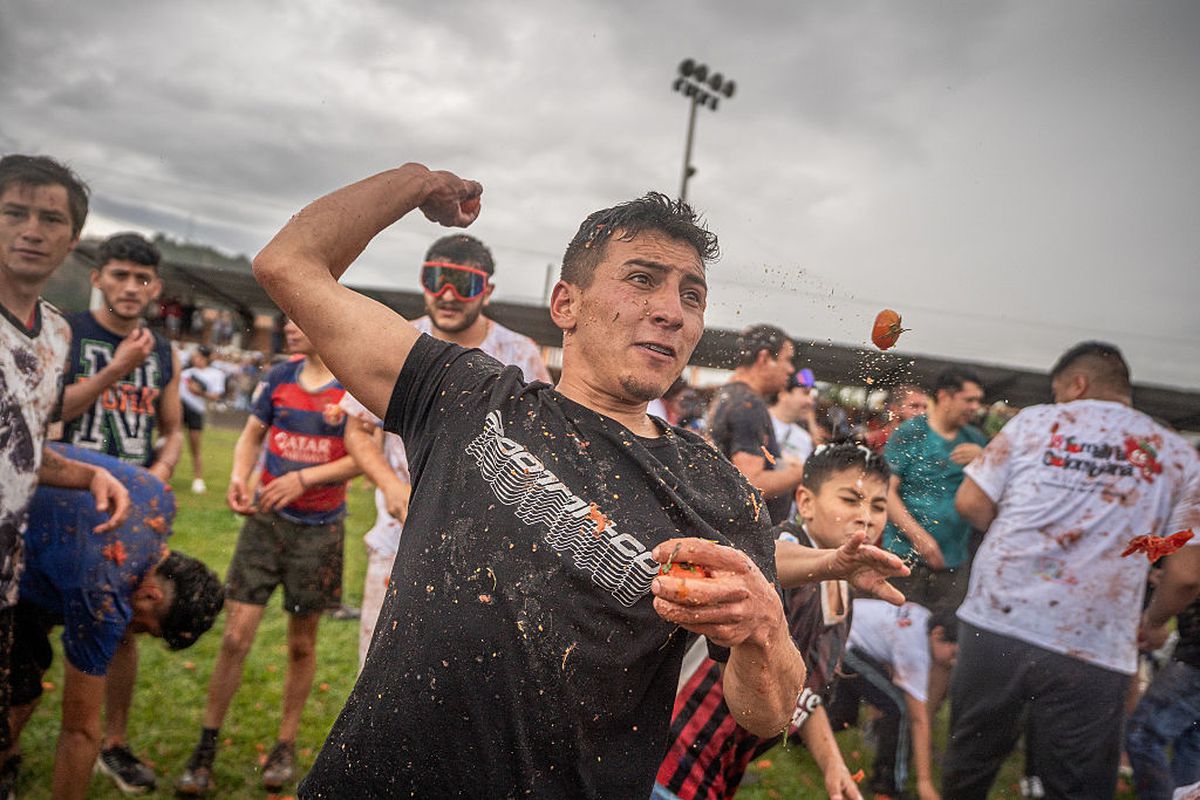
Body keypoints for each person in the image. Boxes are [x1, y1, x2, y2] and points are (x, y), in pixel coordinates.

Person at [250, 163, 807, 798]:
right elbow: (289, 264)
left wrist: (765, 629)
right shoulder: (463, 396)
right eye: (642, 280)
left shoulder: (720, 493)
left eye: (692, 296)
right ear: (566, 304)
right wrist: (413, 182)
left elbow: (767, 713)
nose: (671, 313)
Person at [944, 342, 1200, 799]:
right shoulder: (1179, 456)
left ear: (1077, 383)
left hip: (997, 620)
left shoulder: (1036, 422)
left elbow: (970, 502)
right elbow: (1186, 574)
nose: (1057, 399)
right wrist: (1154, 622)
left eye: (1058, 390)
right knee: (1075, 787)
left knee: (970, 768)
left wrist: (1016, 538)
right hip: (1094, 643)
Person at [343, 232, 550, 669]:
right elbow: (358, 431)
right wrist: (391, 488)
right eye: (436, 280)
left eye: (464, 284)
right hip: (395, 539)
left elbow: (540, 449)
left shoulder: (520, 355)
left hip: (481, 549)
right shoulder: (395, 342)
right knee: (376, 669)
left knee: (455, 677)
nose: (448, 295)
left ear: (487, 290)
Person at [655, 442, 906, 800]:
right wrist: (830, 562)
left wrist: (833, 761)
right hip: (673, 753)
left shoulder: (845, 584)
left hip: (718, 767)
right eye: (851, 500)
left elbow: (799, 687)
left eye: (878, 506)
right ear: (805, 502)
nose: (866, 516)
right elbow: (760, 561)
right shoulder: (791, 543)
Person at [175, 320, 361, 795]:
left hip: (320, 532)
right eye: (284, 322)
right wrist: (240, 476)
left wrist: (304, 480)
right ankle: (205, 746)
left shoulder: (352, 384)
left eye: (299, 320)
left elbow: (363, 457)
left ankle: (285, 745)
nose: (288, 328)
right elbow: (251, 436)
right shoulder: (278, 377)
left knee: (302, 645)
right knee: (235, 638)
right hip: (265, 524)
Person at [0, 154, 130, 791]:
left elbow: (19, 444)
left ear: (71, 240)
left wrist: (85, 477)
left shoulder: (53, 332)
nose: (31, 229)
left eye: (49, 218)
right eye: (14, 212)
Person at [0, 444, 222, 800]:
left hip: (21, 477)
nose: (129, 631)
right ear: (151, 595)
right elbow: (80, 733)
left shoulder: (160, 498)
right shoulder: (102, 595)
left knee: (25, 679)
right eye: (144, 627)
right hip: (11, 548)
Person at [54, 230, 185, 793]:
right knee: (32, 619)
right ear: (97, 277)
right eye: (120, 275)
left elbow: (173, 427)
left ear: (155, 286)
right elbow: (51, 410)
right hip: (64, 497)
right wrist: (115, 368)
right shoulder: (67, 334)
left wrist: (158, 476)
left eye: (142, 278)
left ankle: (114, 743)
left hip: (131, 510)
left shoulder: (163, 350)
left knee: (123, 625)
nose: (131, 287)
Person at [828, 602, 958, 800]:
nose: (954, 661)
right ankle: (888, 785)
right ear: (938, 634)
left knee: (844, 714)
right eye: (954, 653)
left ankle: (796, 735)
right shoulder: (915, 650)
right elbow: (919, 719)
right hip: (842, 641)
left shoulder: (925, 618)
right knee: (899, 708)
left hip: (841, 631)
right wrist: (925, 783)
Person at [882, 368, 986, 611]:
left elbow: (994, 491)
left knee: (938, 635)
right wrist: (921, 539)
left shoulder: (975, 440)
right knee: (897, 626)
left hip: (953, 559)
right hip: (904, 556)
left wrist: (986, 460)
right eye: (969, 399)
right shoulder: (911, 433)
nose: (975, 407)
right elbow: (886, 492)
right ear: (944, 396)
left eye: (978, 401)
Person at [708, 324, 806, 524]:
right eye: (787, 360)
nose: (791, 369)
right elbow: (751, 482)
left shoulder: (731, 394)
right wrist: (804, 471)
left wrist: (782, 464)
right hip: (744, 535)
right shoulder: (748, 404)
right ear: (764, 358)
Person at [1126, 540, 1200, 798]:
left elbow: (1187, 577)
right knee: (1192, 742)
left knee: (1142, 735)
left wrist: (1156, 617)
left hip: (1195, 657)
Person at [178, 345, 226, 494]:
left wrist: (200, 392)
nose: (195, 359)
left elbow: (216, 396)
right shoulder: (185, 372)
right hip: (180, 408)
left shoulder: (216, 374)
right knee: (171, 441)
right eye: (194, 356)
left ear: (205, 358)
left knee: (195, 447)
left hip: (196, 411)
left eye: (198, 356)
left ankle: (198, 479)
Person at [769, 368, 817, 465]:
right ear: (783, 394)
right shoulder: (756, 420)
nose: (810, 402)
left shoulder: (805, 439)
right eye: (805, 393)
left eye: (812, 396)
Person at [866, 385, 929, 454]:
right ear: (894, 409)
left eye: (925, 407)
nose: (922, 412)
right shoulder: (871, 441)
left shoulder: (928, 445)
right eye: (914, 406)